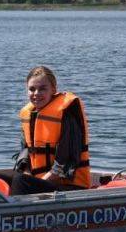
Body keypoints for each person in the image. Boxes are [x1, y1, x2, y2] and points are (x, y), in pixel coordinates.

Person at [10, 65, 91, 195]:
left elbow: (63, 165)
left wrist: (36, 184)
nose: (36, 93)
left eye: (42, 89)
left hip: (69, 186)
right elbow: (25, 156)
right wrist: (29, 177)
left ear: (53, 89)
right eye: (32, 89)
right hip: (42, 183)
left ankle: (12, 213)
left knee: (19, 181)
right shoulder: (29, 116)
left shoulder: (65, 115)